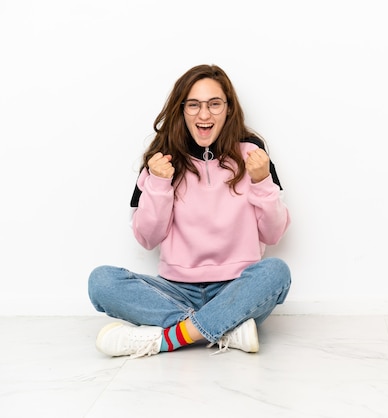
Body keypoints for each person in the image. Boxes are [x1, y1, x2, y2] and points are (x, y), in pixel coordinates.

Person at [88, 64, 291, 358]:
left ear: (229, 109)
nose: (204, 114)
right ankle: (225, 328)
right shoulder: (160, 159)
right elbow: (146, 238)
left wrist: (261, 180)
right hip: (175, 290)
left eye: (214, 104)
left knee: (276, 273)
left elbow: (273, 235)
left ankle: (166, 339)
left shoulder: (253, 153)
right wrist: (159, 182)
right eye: (193, 105)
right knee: (101, 282)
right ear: (181, 110)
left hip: (236, 288)